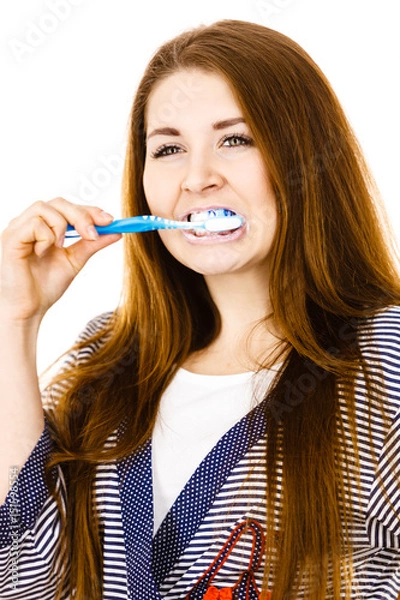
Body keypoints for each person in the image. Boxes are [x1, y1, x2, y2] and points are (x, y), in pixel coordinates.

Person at [0, 18, 399, 600]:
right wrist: (16, 321)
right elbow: (23, 576)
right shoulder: (104, 365)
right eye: (168, 149)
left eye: (235, 140)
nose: (196, 178)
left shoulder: (384, 359)